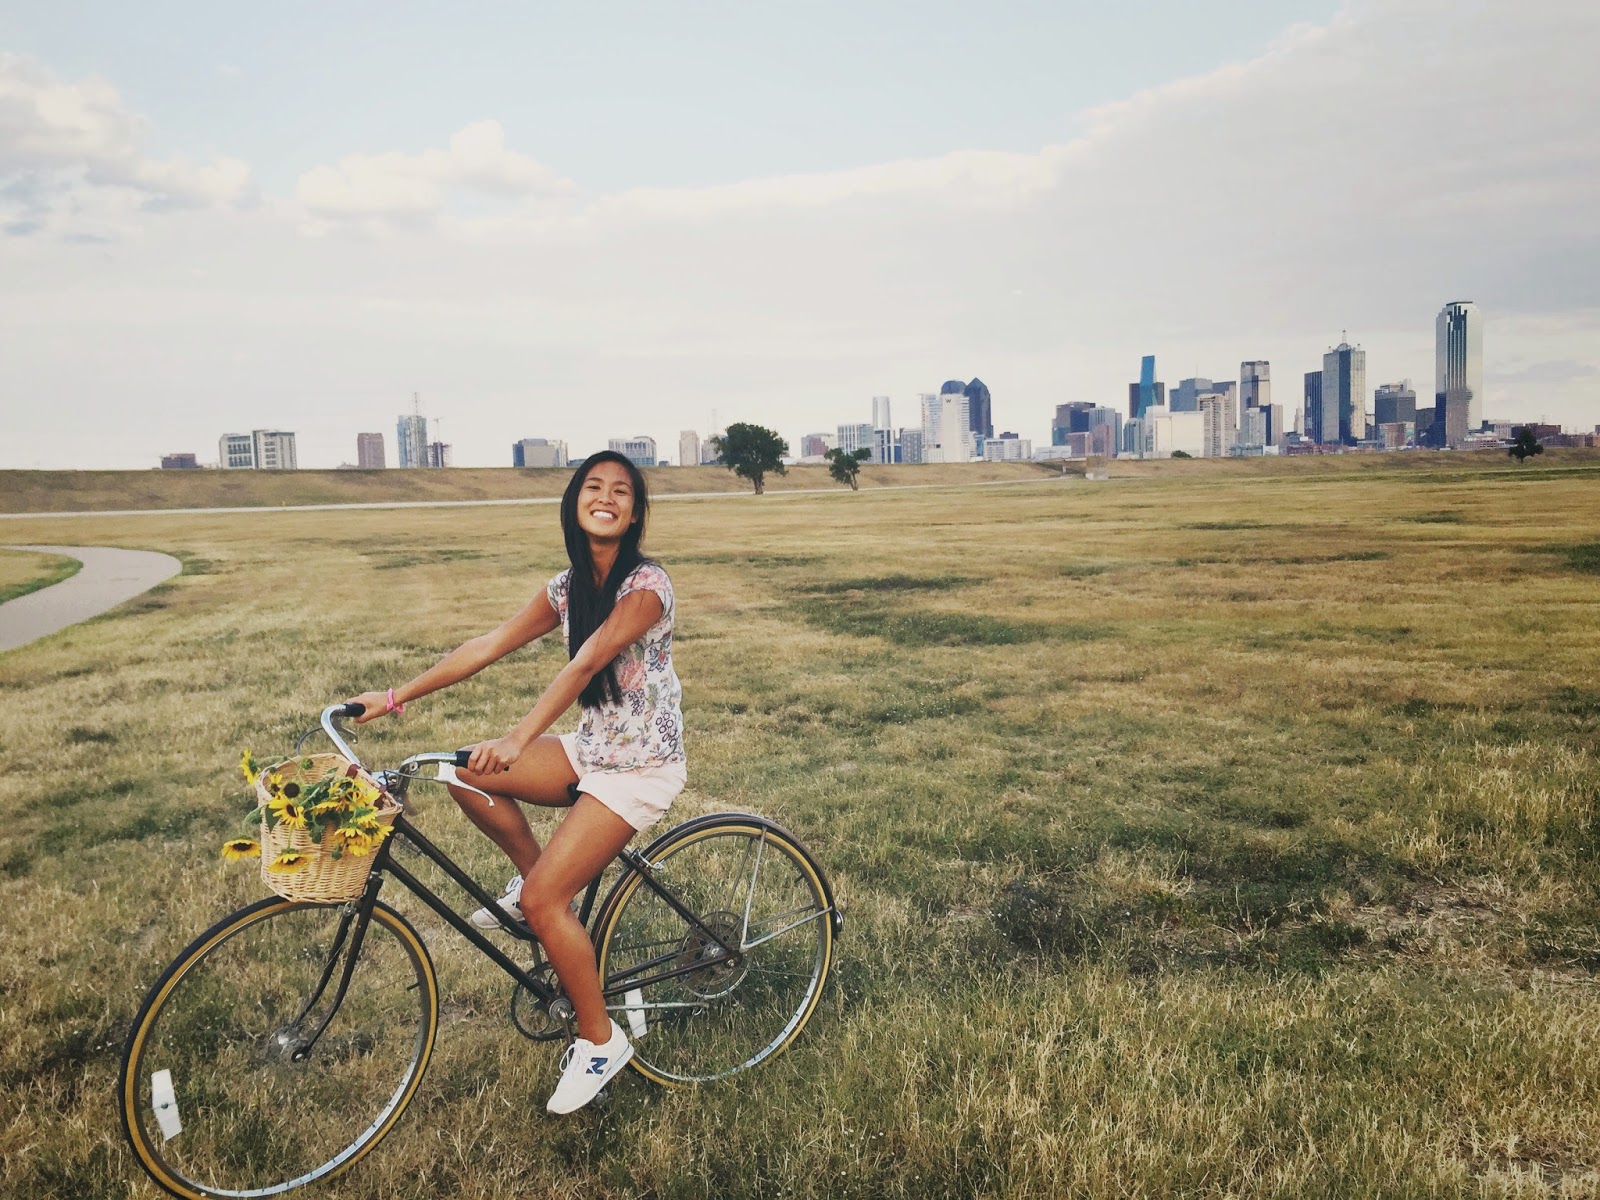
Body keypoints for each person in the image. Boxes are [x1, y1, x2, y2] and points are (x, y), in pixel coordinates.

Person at [347, 450, 685, 1115]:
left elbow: (586, 663)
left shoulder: (647, 587)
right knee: (463, 775)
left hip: (640, 767)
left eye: (621, 491)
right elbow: (489, 644)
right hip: (591, 751)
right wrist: (391, 698)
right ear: (574, 502)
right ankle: (541, 896)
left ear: (635, 514)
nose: (606, 497)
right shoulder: (567, 588)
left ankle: (600, 1041)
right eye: (593, 487)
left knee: (543, 898)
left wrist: (519, 739)